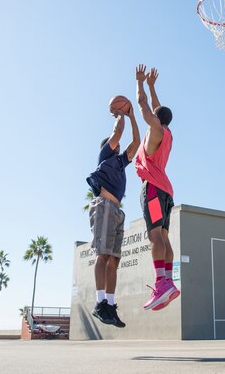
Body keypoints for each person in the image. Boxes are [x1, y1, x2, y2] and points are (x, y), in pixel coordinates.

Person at [86, 86, 140, 328]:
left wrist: (133, 115)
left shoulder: (120, 162)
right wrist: (120, 113)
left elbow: (136, 142)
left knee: (114, 260)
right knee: (103, 255)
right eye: (113, 142)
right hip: (104, 205)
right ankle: (99, 303)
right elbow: (118, 132)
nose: (116, 143)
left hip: (117, 210)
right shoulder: (105, 155)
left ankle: (109, 303)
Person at [134, 64, 179, 311]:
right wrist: (153, 86)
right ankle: (169, 281)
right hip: (166, 191)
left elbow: (143, 106)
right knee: (163, 236)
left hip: (151, 187)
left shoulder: (155, 129)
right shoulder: (167, 132)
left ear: (157, 118)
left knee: (154, 236)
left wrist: (140, 83)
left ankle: (161, 282)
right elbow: (155, 108)